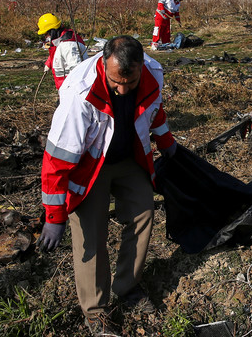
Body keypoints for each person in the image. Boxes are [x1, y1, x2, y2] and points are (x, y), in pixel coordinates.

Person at [37, 35, 177, 335]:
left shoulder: (153, 74)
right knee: (92, 232)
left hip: (128, 157)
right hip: (90, 164)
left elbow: (154, 110)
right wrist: (53, 215)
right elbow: (57, 159)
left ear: (141, 67)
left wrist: (166, 142)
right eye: (116, 82)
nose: (123, 89)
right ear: (103, 64)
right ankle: (95, 310)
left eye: (130, 81)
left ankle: (127, 286)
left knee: (143, 213)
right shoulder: (80, 92)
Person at [37, 13, 87, 90]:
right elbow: (55, 52)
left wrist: (74, 92)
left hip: (71, 88)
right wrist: (48, 63)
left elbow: (77, 69)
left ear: (52, 31)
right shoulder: (61, 39)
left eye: (46, 34)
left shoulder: (68, 45)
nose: (45, 37)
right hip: (64, 86)